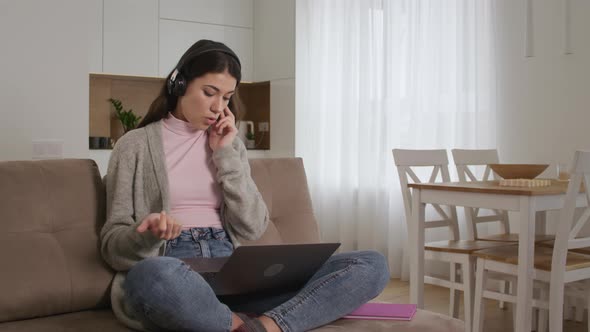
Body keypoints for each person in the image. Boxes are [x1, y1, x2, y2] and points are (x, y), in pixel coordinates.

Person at [100, 39, 390, 332]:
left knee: (371, 264)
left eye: (226, 97)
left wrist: (225, 154)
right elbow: (112, 246)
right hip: (173, 272)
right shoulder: (133, 146)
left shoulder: (230, 146)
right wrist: (145, 236)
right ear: (179, 84)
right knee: (150, 276)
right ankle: (243, 324)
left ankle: (258, 326)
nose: (217, 107)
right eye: (209, 92)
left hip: (235, 275)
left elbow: (252, 226)